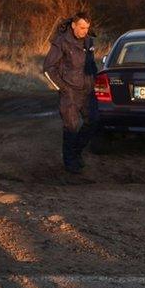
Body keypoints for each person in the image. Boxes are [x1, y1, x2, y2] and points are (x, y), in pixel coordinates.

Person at [43, 12, 98, 181]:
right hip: (70, 93)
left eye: (87, 28)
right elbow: (48, 68)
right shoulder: (61, 42)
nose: (84, 31)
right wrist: (63, 88)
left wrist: (95, 79)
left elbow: (91, 64)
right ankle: (70, 163)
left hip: (87, 91)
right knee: (71, 127)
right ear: (74, 25)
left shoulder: (89, 41)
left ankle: (76, 153)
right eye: (82, 27)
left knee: (94, 122)